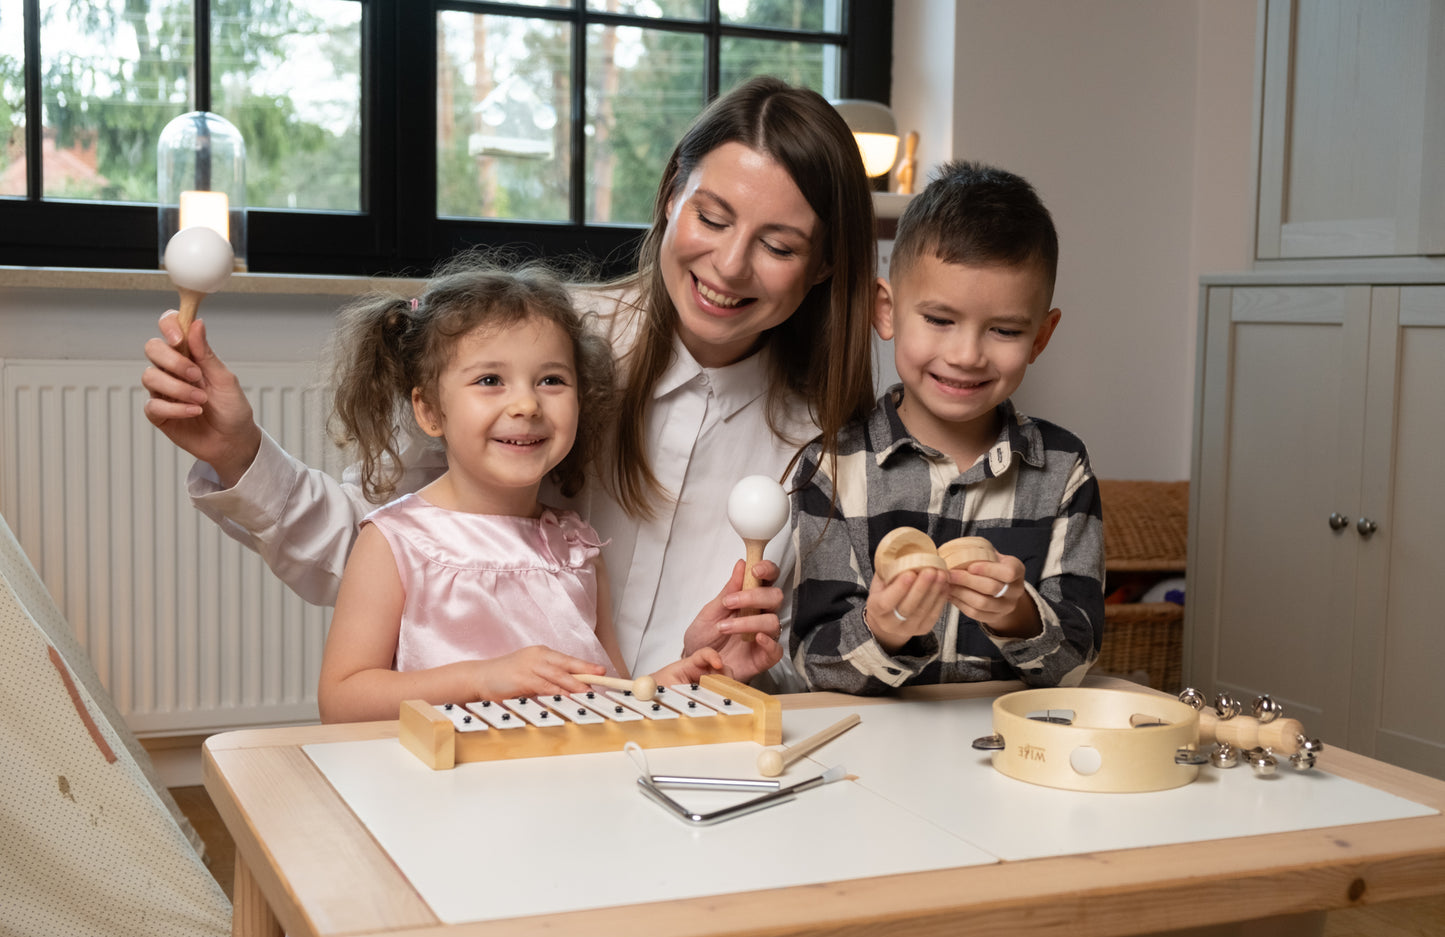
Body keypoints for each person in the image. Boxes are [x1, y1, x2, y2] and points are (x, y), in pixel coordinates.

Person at [141, 77, 878, 689]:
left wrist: (713, 666)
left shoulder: (831, 438)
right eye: (711, 218)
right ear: (669, 198)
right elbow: (391, 546)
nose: (728, 265)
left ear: (821, 267)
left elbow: (807, 659)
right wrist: (240, 452)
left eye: (777, 245)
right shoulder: (545, 350)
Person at [315, 260, 723, 722]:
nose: (527, 404)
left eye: (551, 380)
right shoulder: (395, 542)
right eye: (490, 380)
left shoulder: (577, 546)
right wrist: (482, 680)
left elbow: (607, 690)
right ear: (429, 409)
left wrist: (662, 686)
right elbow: (341, 700)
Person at [787, 160, 1103, 695]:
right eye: (939, 320)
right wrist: (882, 631)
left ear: (1041, 337)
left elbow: (1075, 663)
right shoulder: (831, 466)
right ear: (886, 310)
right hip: (876, 750)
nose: (965, 355)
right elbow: (811, 661)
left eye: (1003, 330)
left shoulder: (1063, 468)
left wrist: (1018, 616)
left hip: (1007, 752)